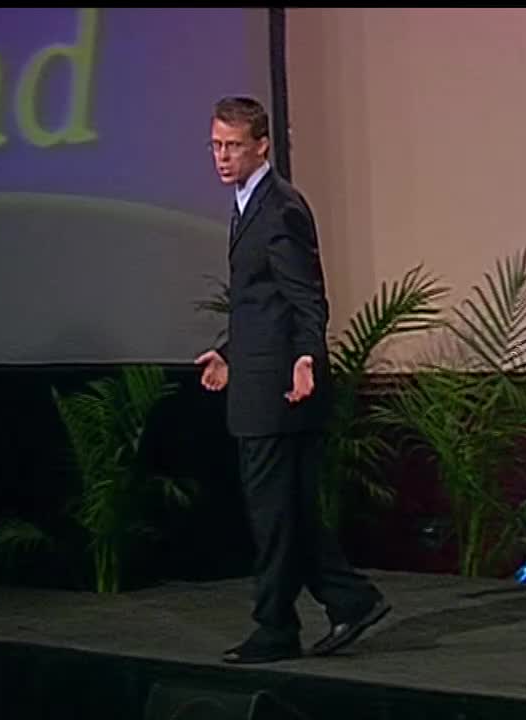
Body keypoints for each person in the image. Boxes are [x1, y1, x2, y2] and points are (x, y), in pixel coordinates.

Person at [194, 96, 390, 665]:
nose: (221, 156)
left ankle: (276, 627)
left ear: (261, 147)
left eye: (232, 145)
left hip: (280, 391)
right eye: (215, 144)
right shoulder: (248, 204)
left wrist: (308, 359)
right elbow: (263, 303)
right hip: (261, 379)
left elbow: (307, 299)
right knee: (291, 512)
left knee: (274, 516)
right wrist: (231, 353)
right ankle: (351, 599)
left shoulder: (279, 208)